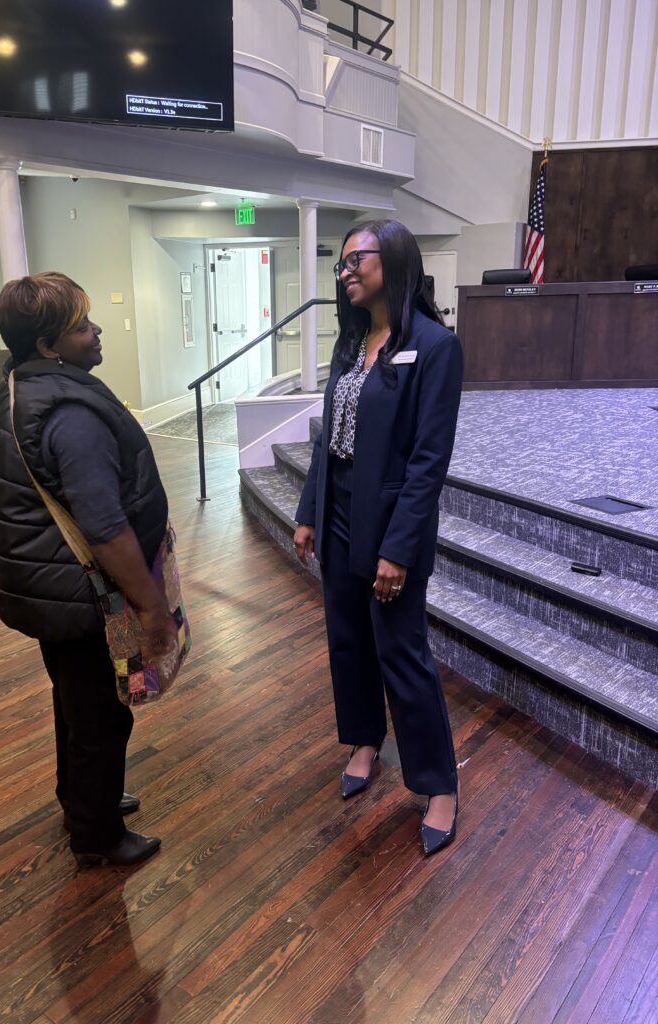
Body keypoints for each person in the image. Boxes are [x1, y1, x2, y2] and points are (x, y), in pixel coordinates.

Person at [0, 271, 177, 867]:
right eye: (80, 326)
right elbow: (105, 526)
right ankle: (97, 836)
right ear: (47, 346)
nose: (96, 332)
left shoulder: (21, 387)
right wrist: (150, 607)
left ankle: (82, 800)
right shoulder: (68, 412)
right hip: (83, 595)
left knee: (74, 702)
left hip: (48, 590)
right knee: (100, 714)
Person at [293, 220, 463, 857]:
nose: (344, 272)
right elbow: (326, 442)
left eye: (354, 260)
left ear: (392, 261)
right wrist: (310, 510)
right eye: (340, 264)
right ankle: (365, 741)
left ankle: (438, 783)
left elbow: (428, 461)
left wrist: (397, 550)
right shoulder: (353, 342)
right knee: (349, 641)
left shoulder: (436, 347)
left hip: (391, 526)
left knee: (402, 652)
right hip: (338, 517)